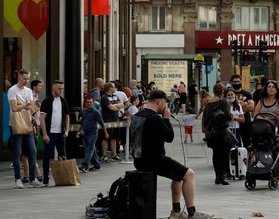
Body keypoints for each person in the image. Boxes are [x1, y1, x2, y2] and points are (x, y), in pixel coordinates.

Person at [130, 90, 214, 219]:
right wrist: (167, 118)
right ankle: (192, 212)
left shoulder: (137, 116)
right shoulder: (154, 118)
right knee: (189, 174)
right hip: (154, 159)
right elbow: (169, 136)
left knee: (178, 176)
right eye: (165, 103)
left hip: (139, 159)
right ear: (159, 101)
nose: (165, 107)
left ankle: (176, 211)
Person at [7, 69, 43, 188]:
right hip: (16, 123)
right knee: (17, 152)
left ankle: (32, 178)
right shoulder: (12, 90)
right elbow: (14, 108)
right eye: (24, 78)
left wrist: (23, 105)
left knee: (33, 151)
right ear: (19, 77)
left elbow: (32, 108)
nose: (26, 81)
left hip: (27, 123)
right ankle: (18, 179)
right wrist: (25, 105)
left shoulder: (28, 91)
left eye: (28, 79)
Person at [39, 80, 70, 186]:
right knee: (47, 156)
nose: (61, 90)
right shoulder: (47, 101)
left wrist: (66, 130)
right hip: (50, 133)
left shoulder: (63, 101)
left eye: (62, 88)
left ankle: (65, 178)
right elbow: (42, 118)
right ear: (53, 89)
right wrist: (44, 134)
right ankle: (46, 179)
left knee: (63, 155)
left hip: (60, 133)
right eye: (59, 88)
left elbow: (67, 116)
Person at [76, 97, 108, 173]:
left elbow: (102, 124)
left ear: (93, 103)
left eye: (90, 102)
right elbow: (82, 123)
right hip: (86, 132)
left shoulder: (96, 112)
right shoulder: (84, 111)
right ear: (85, 103)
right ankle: (97, 165)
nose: (89, 104)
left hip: (93, 133)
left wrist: (106, 133)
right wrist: (78, 131)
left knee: (89, 148)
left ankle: (85, 166)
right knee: (91, 149)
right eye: (88, 102)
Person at [99, 82, 124, 162]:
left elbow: (122, 104)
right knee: (106, 138)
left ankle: (114, 154)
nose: (115, 88)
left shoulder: (115, 96)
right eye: (113, 87)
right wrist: (115, 106)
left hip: (116, 119)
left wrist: (115, 106)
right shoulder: (104, 97)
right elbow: (110, 108)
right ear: (109, 88)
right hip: (107, 120)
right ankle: (104, 155)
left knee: (114, 138)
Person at [229, 75, 254, 149]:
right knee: (233, 145)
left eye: (238, 81)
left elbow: (251, 107)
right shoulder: (229, 94)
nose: (236, 83)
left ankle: (247, 159)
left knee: (247, 144)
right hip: (232, 125)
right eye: (235, 82)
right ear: (231, 83)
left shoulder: (247, 94)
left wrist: (237, 108)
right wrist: (244, 104)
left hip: (246, 123)